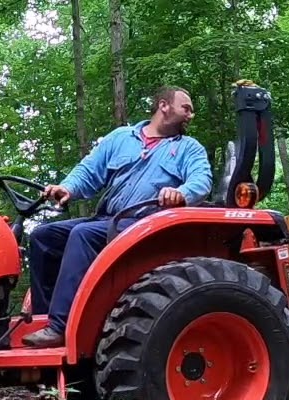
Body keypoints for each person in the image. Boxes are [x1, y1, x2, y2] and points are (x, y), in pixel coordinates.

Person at [21, 86, 213, 348]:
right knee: (44, 236)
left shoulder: (188, 148)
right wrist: (67, 188)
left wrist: (181, 193)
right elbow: (89, 171)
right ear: (164, 106)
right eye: (186, 108)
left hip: (145, 224)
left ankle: (60, 327)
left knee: (83, 235)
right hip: (109, 219)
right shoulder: (121, 137)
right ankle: (43, 319)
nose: (191, 115)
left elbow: (202, 181)